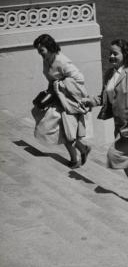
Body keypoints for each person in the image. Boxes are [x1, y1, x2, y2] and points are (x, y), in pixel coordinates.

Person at [83, 39, 128, 206]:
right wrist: (91, 101)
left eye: (116, 53)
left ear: (124, 55)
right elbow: (104, 97)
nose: (112, 56)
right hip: (118, 124)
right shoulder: (109, 74)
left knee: (114, 155)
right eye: (110, 53)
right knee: (125, 162)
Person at [32, 34, 91, 168]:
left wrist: (60, 85)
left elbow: (80, 79)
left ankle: (75, 159)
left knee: (68, 131)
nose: (39, 53)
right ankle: (82, 151)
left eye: (41, 50)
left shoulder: (62, 61)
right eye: (38, 50)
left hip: (69, 102)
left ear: (50, 47)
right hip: (57, 99)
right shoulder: (47, 59)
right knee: (64, 131)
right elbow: (51, 79)